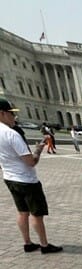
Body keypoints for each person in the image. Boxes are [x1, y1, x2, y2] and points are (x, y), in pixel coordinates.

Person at [0, 99, 62, 254]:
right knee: (36, 214)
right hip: (26, 180)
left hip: (9, 177)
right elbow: (30, 162)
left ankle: (27, 242)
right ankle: (44, 245)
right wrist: (38, 150)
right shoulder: (11, 134)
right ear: (2, 114)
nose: (14, 118)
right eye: (11, 114)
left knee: (22, 212)